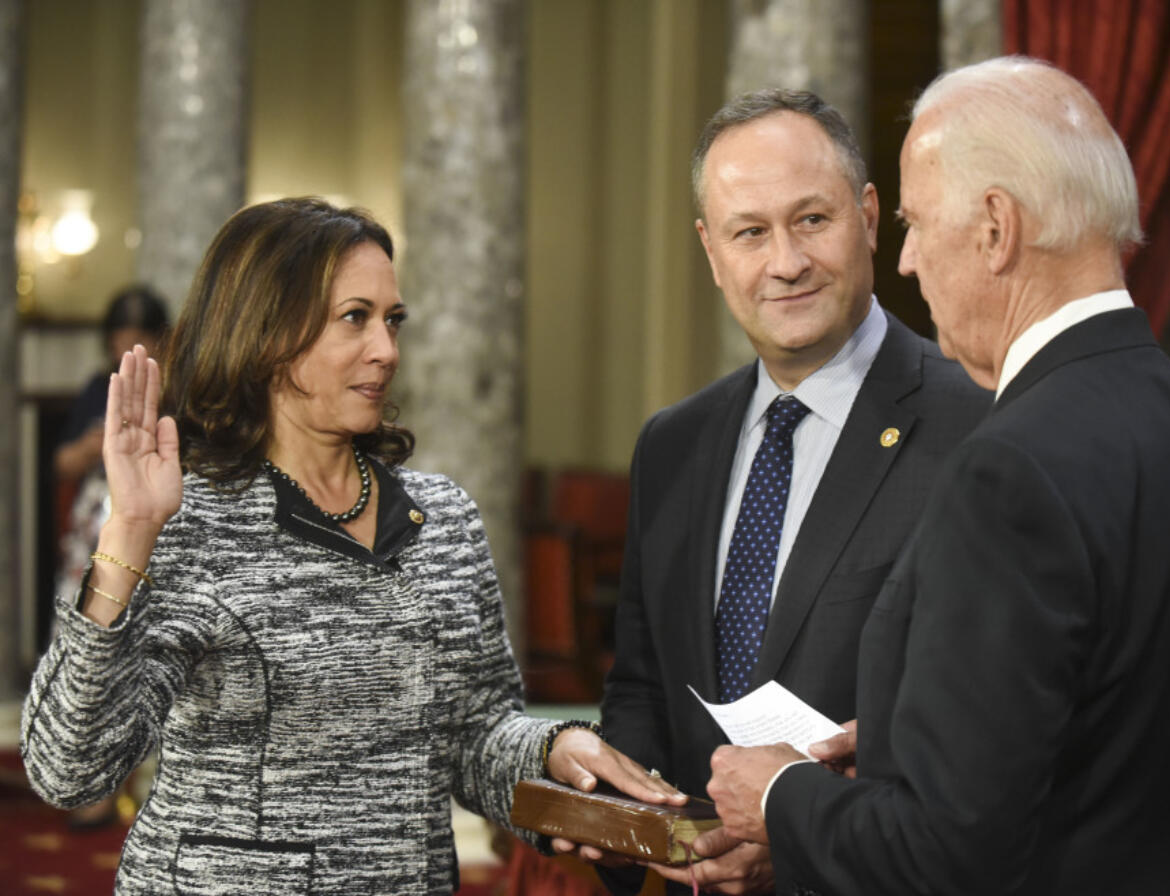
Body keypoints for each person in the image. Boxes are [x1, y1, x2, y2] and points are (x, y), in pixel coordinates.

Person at [20, 197, 683, 895]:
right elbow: (69, 767)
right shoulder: (189, 516)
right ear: (269, 333)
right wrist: (129, 533)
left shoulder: (445, 519)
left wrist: (554, 751)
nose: (387, 350)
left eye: (392, 320)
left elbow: (475, 737)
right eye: (355, 318)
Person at [702, 57, 1170, 895]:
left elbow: (945, 856)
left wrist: (778, 793)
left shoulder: (1007, 466)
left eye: (914, 222)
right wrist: (923, 735)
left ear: (994, 228)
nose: (906, 260)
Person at [593, 89, 990, 894]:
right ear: (711, 252)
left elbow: (990, 728)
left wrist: (800, 832)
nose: (785, 262)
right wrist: (626, 831)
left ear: (871, 216)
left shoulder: (981, 432)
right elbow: (641, 683)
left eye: (812, 220)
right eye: (749, 232)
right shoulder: (671, 445)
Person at [50, 284, 170, 830]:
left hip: (158, 529)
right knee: (91, 640)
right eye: (124, 340)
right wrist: (103, 444)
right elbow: (64, 462)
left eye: (142, 339)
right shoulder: (98, 387)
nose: (132, 349)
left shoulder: (176, 391)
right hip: (98, 530)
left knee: (152, 644)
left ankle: (145, 776)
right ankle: (91, 775)